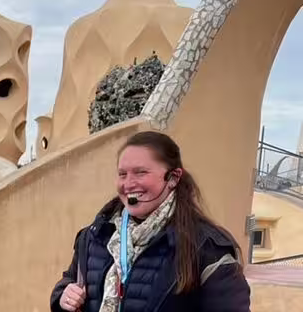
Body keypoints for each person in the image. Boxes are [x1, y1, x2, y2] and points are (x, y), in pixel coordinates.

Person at [50, 131, 250, 312]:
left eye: (140, 172)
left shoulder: (207, 247)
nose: (128, 184)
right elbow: (70, 280)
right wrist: (63, 296)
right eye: (122, 174)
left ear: (173, 178)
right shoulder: (95, 235)